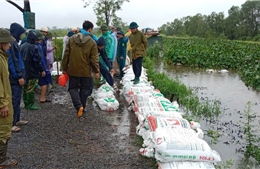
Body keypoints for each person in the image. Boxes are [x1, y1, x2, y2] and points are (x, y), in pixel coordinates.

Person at [62, 20, 100, 118]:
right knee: (84, 89)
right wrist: (96, 71)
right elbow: (94, 59)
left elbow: (66, 54)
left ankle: (78, 106)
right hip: (85, 71)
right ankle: (82, 106)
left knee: (73, 88)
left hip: (73, 69)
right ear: (90, 29)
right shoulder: (92, 42)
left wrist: (64, 67)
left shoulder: (72, 39)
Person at [0, 28, 18, 168]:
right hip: (2, 101)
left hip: (5, 98)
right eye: (7, 42)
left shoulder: (2, 57)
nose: (10, 45)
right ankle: (1, 160)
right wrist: (3, 103)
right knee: (3, 129)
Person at [7, 23, 28, 132]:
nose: (22, 36)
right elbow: (12, 62)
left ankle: (17, 119)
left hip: (18, 74)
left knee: (17, 98)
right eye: (21, 33)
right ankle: (12, 123)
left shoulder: (15, 43)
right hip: (15, 77)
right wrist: (18, 76)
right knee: (14, 99)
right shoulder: (11, 44)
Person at [20, 30, 46, 110]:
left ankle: (26, 102)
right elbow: (37, 61)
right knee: (31, 88)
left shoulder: (23, 45)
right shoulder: (34, 47)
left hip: (24, 70)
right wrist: (42, 70)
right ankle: (30, 104)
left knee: (25, 88)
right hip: (32, 71)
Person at [35, 30, 53, 103]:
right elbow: (40, 59)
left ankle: (42, 97)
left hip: (39, 66)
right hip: (41, 67)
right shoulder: (38, 46)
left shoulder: (35, 45)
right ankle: (42, 97)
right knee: (44, 81)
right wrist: (43, 69)